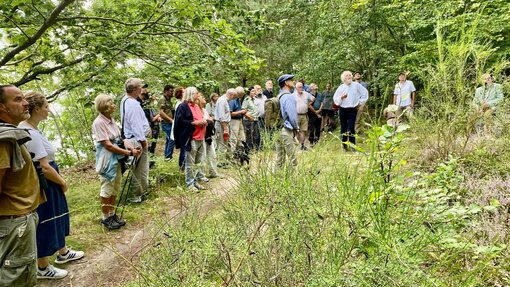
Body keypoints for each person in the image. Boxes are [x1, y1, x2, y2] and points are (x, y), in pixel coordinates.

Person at [19, 92, 85, 280]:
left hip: (49, 179)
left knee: (58, 214)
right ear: (37, 109)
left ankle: (63, 251)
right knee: (47, 218)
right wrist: (62, 181)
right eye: (46, 106)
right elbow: (44, 167)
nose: (48, 110)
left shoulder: (33, 129)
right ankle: (42, 266)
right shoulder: (29, 132)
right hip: (45, 181)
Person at [0, 85, 45, 286]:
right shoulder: (4, 140)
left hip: (20, 220)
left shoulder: (11, 134)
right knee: (17, 279)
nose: (26, 102)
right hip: (15, 222)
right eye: (17, 100)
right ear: (2, 108)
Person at [92, 94, 141, 230]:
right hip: (107, 160)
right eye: (111, 103)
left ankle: (112, 215)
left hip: (117, 159)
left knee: (115, 187)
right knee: (107, 188)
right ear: (105, 105)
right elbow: (108, 145)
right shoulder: (99, 122)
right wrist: (128, 153)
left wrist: (130, 147)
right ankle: (105, 217)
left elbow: (120, 138)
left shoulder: (111, 120)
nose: (114, 105)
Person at [120, 78, 150, 203]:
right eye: (140, 87)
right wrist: (143, 141)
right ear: (136, 89)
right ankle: (135, 196)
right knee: (139, 170)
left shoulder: (126, 100)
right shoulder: (131, 103)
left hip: (133, 139)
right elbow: (135, 124)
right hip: (136, 140)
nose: (141, 89)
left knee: (140, 169)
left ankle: (141, 193)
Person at [175, 87, 209, 191]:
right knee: (190, 163)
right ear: (190, 94)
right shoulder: (183, 106)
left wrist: (204, 122)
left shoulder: (196, 106)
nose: (197, 95)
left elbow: (200, 117)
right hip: (191, 138)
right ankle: (189, 184)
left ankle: (195, 181)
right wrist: (194, 123)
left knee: (198, 161)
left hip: (201, 136)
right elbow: (179, 122)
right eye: (196, 94)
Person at [333, 71, 369, 151]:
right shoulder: (341, 87)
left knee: (351, 127)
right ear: (343, 78)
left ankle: (353, 146)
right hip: (343, 109)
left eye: (350, 75)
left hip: (352, 109)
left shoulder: (356, 85)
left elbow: (365, 93)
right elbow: (336, 100)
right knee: (343, 128)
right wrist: (341, 97)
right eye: (346, 76)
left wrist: (359, 103)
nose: (349, 76)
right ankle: (344, 146)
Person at [275, 74, 298, 169]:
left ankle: (277, 179)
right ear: (286, 83)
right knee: (293, 159)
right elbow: (292, 115)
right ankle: (294, 181)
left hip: (277, 129)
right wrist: (296, 128)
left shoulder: (279, 95)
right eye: (291, 80)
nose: (293, 81)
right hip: (286, 130)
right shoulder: (288, 96)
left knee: (280, 159)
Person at [201, 94, 220, 178]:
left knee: (212, 153)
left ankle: (213, 172)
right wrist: (208, 120)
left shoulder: (204, 109)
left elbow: (209, 119)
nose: (204, 98)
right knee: (203, 156)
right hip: (202, 135)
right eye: (202, 97)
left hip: (209, 134)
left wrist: (208, 120)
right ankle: (201, 175)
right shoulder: (196, 110)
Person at [215, 89, 235, 166]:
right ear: (231, 95)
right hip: (222, 124)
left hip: (225, 124)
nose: (232, 99)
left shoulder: (225, 100)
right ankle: (220, 162)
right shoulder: (222, 101)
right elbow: (221, 116)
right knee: (222, 143)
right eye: (233, 97)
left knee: (227, 143)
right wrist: (225, 128)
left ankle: (227, 160)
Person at [294, 82, 315, 150]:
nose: (301, 88)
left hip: (304, 115)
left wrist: (308, 104)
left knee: (303, 130)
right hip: (296, 115)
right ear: (296, 88)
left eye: (302, 87)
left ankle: (302, 145)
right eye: (299, 87)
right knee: (296, 130)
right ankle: (297, 143)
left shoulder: (306, 94)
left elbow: (313, 98)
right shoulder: (293, 95)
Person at [159, 85, 175, 160]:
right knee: (172, 138)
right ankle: (168, 157)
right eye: (171, 91)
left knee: (169, 139)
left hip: (170, 123)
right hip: (166, 123)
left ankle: (167, 156)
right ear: (166, 91)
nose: (172, 93)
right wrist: (170, 120)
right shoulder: (162, 99)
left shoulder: (169, 100)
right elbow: (161, 113)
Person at [228, 86, 247, 152]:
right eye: (241, 94)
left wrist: (242, 111)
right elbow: (230, 113)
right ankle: (232, 153)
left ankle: (241, 152)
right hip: (233, 121)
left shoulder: (238, 99)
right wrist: (240, 112)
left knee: (241, 138)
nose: (241, 96)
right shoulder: (232, 100)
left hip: (239, 120)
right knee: (234, 138)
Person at [171, 87, 186, 170]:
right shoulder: (179, 105)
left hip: (182, 130)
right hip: (181, 130)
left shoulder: (182, 103)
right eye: (184, 92)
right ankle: (182, 166)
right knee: (183, 149)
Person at [241, 86, 259, 152]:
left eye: (255, 91)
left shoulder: (254, 100)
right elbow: (243, 110)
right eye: (253, 91)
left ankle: (254, 149)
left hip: (255, 120)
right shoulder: (247, 100)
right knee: (249, 136)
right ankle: (248, 150)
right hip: (248, 120)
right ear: (249, 92)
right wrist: (249, 117)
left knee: (255, 135)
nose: (255, 92)